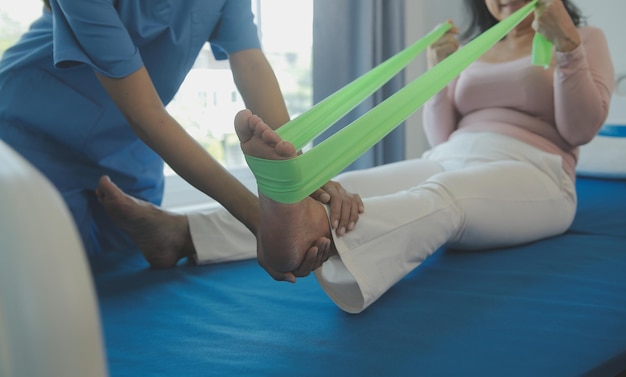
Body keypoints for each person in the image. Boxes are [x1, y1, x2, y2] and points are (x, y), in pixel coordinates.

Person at [226, 0, 614, 313]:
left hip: (534, 169)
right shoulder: (475, 48)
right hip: (449, 152)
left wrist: (568, 49)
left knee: (447, 193)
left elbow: (579, 130)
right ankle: (186, 234)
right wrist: (440, 72)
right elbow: (441, 134)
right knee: (348, 188)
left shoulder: (584, 38)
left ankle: (310, 228)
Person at [0, 0, 361, 280]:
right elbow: (148, 116)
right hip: (30, 138)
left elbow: (250, 64)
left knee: (122, 281)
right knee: (48, 289)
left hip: (127, 151)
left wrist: (303, 176)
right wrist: (259, 220)